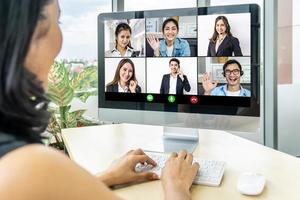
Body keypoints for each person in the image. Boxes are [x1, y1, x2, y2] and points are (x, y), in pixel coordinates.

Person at [0, 1, 199, 199]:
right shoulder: (25, 167)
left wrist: (107, 176)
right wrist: (176, 185)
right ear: (31, 29)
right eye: (58, 20)